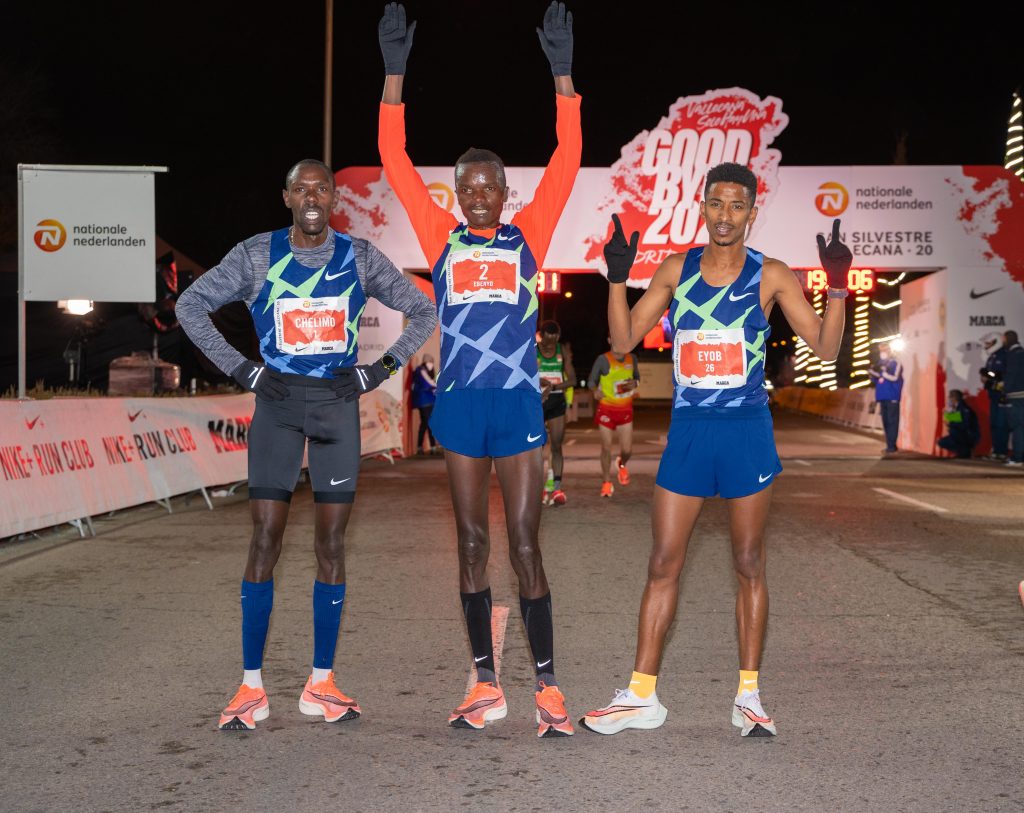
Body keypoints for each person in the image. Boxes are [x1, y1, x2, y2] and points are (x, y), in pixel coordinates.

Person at [580, 163, 850, 738]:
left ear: (752, 212)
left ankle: (748, 696)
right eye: (716, 204)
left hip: (746, 429)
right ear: (702, 207)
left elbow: (826, 349)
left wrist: (837, 285)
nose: (725, 215)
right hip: (691, 430)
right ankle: (641, 696)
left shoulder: (771, 274)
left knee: (749, 562)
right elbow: (623, 340)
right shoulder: (675, 269)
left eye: (737, 205)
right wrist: (616, 279)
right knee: (662, 562)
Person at [377, 1, 580, 737]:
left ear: (505, 192)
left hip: (518, 402)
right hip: (461, 405)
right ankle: (486, 683)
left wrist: (563, 77)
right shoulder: (440, 236)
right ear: (457, 195)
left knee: (525, 543)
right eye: (467, 187)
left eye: (489, 186)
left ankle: (548, 686)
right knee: (470, 543)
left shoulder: (530, 235)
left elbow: (567, 160)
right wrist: (394, 77)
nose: (479, 196)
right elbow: (394, 160)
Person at [176, 159, 436, 730]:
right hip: (277, 405)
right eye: (302, 189)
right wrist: (241, 370)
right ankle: (251, 687)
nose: (312, 197)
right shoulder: (256, 254)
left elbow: (423, 308)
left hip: (336, 407)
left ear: (334, 198)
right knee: (264, 538)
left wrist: (379, 369)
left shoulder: (360, 256)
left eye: (322, 188)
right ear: (287, 197)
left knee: (331, 545)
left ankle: (321, 682)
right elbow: (188, 305)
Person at [588, 338, 640, 497]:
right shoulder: (603, 360)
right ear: (610, 340)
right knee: (606, 447)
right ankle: (606, 482)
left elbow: (637, 378)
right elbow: (591, 381)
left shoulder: (632, 358)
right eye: (616, 336)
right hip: (606, 409)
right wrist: (595, 391)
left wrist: (635, 383)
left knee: (627, 450)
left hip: (625, 409)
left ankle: (621, 464)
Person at [537, 320, 576, 505]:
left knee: (556, 446)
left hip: (556, 400)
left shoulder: (562, 351)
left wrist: (552, 386)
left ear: (558, 337)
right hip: (537, 402)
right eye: (547, 341)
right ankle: (536, 487)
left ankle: (557, 488)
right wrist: (540, 383)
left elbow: (572, 379)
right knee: (535, 448)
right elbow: (523, 376)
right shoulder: (532, 350)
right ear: (540, 336)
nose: (550, 345)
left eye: (554, 341)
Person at [868, 341, 903, 456]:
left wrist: (882, 372)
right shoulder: (880, 363)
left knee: (892, 422)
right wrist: (872, 375)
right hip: (882, 397)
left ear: (889, 351)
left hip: (892, 397)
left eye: (884, 349)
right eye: (880, 350)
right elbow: (879, 379)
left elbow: (895, 378)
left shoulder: (895, 363)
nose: (882, 352)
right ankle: (890, 446)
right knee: (886, 423)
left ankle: (891, 447)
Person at [980, 333, 1010, 460]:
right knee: (994, 423)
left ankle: (1001, 452)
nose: (986, 346)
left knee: (1001, 424)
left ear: (996, 342)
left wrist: (988, 374)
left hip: (1001, 394)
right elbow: (992, 374)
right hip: (992, 394)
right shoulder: (992, 357)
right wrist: (986, 376)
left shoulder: (1005, 355)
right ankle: (996, 451)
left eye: (988, 343)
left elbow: (1002, 374)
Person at [937, 389, 980, 459]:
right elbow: (953, 421)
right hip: (961, 434)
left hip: (968, 435)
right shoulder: (956, 408)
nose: (949, 399)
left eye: (950, 397)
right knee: (941, 442)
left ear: (954, 398)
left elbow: (964, 425)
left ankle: (965, 451)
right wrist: (949, 417)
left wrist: (950, 423)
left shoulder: (964, 408)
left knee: (953, 433)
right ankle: (962, 451)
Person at [1004, 330, 1024, 468]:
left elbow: (1011, 375)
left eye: (1004, 339)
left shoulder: (1013, 355)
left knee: (1017, 427)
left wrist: (1005, 390)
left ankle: (1017, 458)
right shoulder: (1021, 352)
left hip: (1016, 395)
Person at [411, 353, 438, 454]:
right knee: (429, 423)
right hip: (424, 401)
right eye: (430, 362)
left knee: (424, 424)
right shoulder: (421, 370)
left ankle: (420, 447)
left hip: (427, 400)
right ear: (425, 362)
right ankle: (432, 447)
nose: (431, 364)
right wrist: (436, 386)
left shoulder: (423, 371)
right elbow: (429, 383)